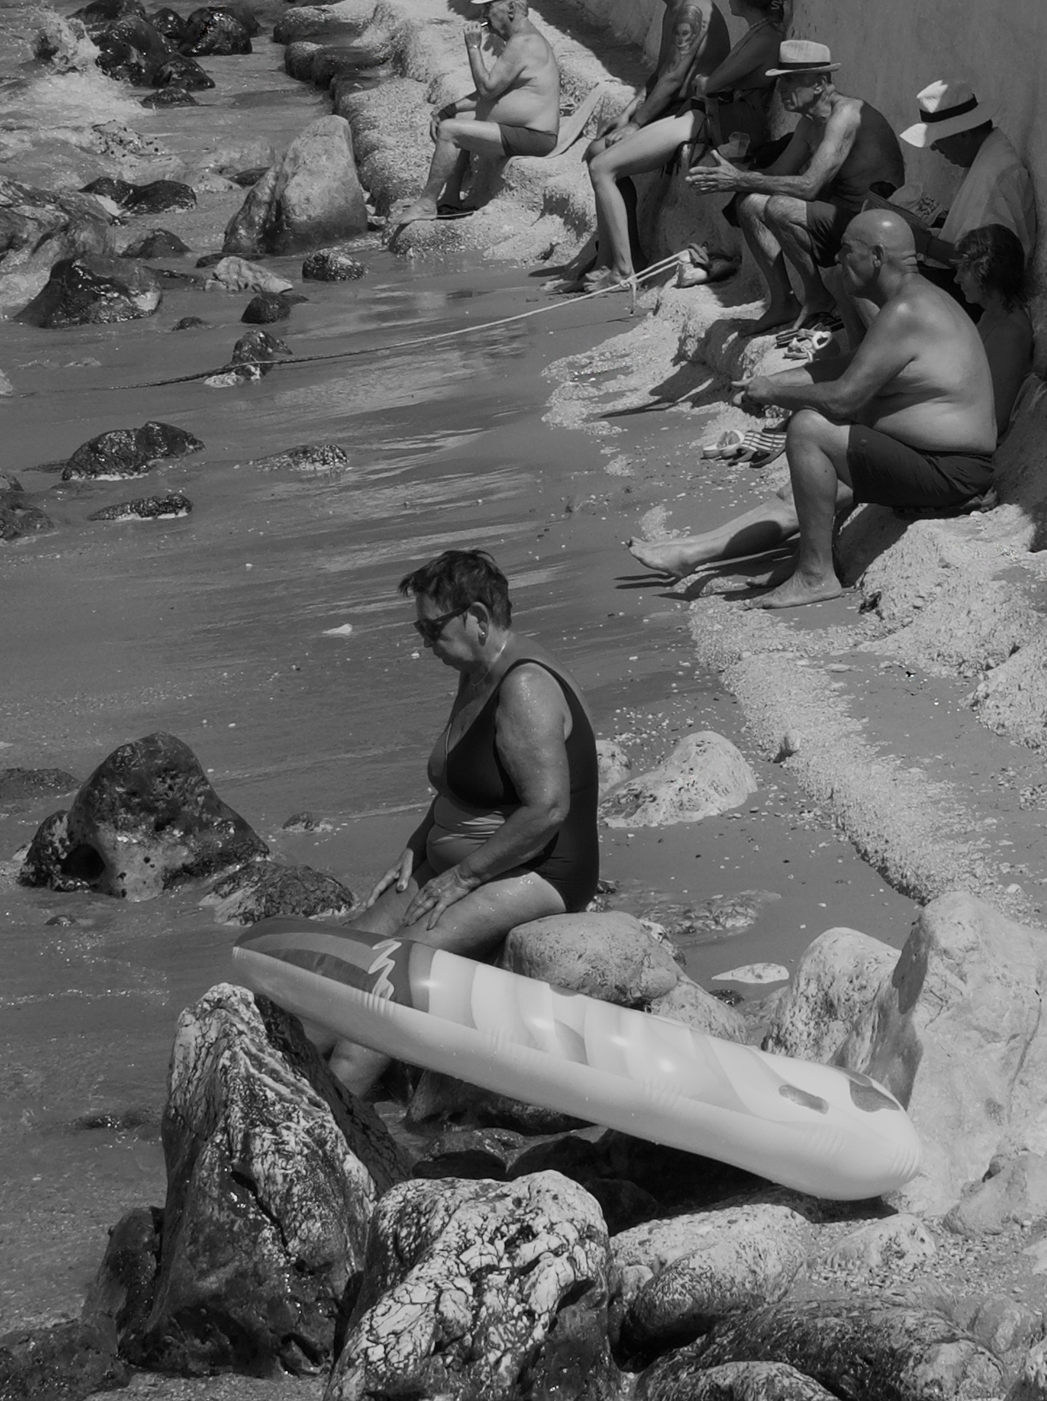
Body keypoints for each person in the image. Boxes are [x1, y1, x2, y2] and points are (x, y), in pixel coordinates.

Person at [321, 549, 600, 1097]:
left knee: (391, 977)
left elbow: (547, 809)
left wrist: (464, 876)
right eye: (419, 628)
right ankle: (284, 1091)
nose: (424, 642)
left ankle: (329, 1134)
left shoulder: (524, 686)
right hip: (466, 858)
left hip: (539, 870)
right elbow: (464, 779)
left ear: (476, 616)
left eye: (431, 628)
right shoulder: (476, 670)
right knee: (342, 959)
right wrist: (420, 840)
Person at [625, 205, 998, 605]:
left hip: (950, 471)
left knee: (808, 429)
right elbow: (853, 366)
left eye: (846, 250)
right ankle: (707, 555)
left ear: (876, 256)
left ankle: (816, 575)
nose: (838, 259)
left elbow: (844, 397)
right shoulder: (910, 301)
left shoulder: (906, 310)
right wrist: (768, 383)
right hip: (931, 460)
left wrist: (774, 394)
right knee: (802, 486)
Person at [582, 0, 788, 285]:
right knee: (601, 158)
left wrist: (705, 81)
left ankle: (623, 271)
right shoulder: (758, 33)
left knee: (602, 167)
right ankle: (614, 260)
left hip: (705, 121)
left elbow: (712, 84)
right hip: (701, 116)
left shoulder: (765, 39)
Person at [684, 39, 906, 335]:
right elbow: (777, 173)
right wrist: (729, 176)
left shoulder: (846, 116)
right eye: (780, 81)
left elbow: (808, 187)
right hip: (838, 216)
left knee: (778, 206)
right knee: (749, 203)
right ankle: (783, 304)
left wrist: (737, 180)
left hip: (873, 226)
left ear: (820, 83)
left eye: (790, 81)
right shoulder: (809, 121)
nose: (782, 90)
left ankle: (818, 298)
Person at [432, 0, 564, 217]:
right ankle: (450, 199)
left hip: (535, 137)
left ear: (511, 8)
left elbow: (487, 89)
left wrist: (473, 47)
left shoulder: (524, 43)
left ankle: (428, 202)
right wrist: (449, 109)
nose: (484, 16)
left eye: (489, 7)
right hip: (523, 130)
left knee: (452, 129)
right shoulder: (520, 40)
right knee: (457, 118)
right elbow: (495, 90)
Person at [896, 76, 1036, 285]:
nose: (935, 148)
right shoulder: (986, 157)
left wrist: (923, 242)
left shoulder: (993, 173)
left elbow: (982, 261)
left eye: (938, 139)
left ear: (963, 135)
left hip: (984, 294)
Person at [957, 222, 1036, 436]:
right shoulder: (990, 316)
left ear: (986, 272)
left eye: (965, 270)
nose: (957, 279)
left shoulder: (1010, 332)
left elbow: (996, 420)